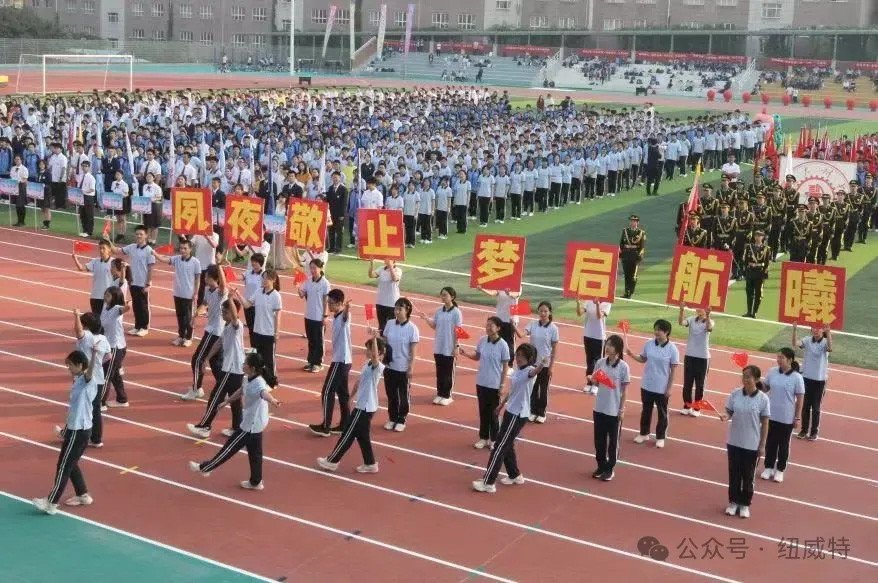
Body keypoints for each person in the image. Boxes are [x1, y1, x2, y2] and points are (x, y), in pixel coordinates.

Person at [189, 353, 281, 490]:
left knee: (229, 448)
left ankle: (206, 468)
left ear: (252, 368)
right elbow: (241, 391)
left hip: (251, 426)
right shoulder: (248, 378)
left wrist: (272, 400)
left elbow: (263, 393)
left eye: (245, 363)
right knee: (255, 453)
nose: (242, 364)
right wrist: (226, 401)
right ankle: (256, 482)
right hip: (255, 424)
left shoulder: (258, 383)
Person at [472, 344, 548, 494]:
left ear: (529, 358)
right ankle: (515, 475)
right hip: (510, 411)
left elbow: (535, 371)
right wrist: (501, 405)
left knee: (499, 447)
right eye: (518, 354)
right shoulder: (517, 371)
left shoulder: (528, 372)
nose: (518, 358)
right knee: (507, 445)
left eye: (521, 356)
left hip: (518, 414)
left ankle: (488, 482)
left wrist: (542, 364)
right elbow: (513, 390)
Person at [32, 348, 99, 515]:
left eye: (70, 365)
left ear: (79, 365)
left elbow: (90, 371)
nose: (68, 368)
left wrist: (94, 355)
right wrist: (65, 431)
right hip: (75, 429)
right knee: (70, 463)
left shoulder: (86, 380)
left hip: (79, 432)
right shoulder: (78, 380)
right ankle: (83, 494)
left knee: (63, 467)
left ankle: (51, 503)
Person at [317, 330, 386, 474]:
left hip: (365, 408)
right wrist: (351, 396)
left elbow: (375, 358)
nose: (366, 351)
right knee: (362, 436)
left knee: (347, 434)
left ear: (378, 351)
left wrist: (374, 339)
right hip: (362, 405)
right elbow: (359, 381)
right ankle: (370, 463)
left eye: (369, 348)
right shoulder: (367, 364)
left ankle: (332, 461)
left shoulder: (378, 366)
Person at [186, 298, 245, 439]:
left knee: (215, 397)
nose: (222, 315)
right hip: (235, 370)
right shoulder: (227, 326)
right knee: (235, 401)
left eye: (225, 312)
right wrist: (207, 359)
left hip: (231, 369)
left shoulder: (237, 326)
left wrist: (230, 298)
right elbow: (219, 342)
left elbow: (235, 317)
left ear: (233, 313)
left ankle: (205, 426)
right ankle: (237, 428)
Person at [719, 365, 770, 519]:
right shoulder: (735, 394)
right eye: (743, 376)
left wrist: (762, 445)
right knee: (734, 474)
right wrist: (726, 416)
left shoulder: (763, 399)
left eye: (748, 376)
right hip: (734, 442)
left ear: (756, 379)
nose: (745, 379)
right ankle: (733, 502)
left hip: (751, 444)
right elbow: (729, 411)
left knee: (748, 476)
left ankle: (745, 504)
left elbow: (765, 422)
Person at [626, 319, 680, 448]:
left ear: (666, 332)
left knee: (662, 413)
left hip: (662, 386)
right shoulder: (649, 344)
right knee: (646, 410)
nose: (656, 332)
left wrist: (669, 388)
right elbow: (643, 359)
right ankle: (644, 433)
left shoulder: (672, 349)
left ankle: (660, 437)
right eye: (655, 329)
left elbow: (673, 371)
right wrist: (632, 355)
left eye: (659, 330)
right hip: (647, 384)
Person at [459, 317, 510, 449]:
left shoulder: (503, 345)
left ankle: (494, 439)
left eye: (491, 326)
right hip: (481, 382)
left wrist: (502, 384)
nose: (487, 328)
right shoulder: (482, 340)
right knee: (483, 412)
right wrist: (464, 353)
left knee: (494, 413)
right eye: (487, 325)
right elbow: (477, 356)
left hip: (494, 384)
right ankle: (483, 437)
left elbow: (505, 367)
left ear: (498, 328)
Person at [309, 289, 353, 437]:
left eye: (331, 303)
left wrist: (347, 309)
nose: (329, 305)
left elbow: (346, 316)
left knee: (327, 392)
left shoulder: (344, 316)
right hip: (343, 360)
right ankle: (345, 424)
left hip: (341, 361)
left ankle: (326, 426)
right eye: (328, 302)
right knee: (343, 394)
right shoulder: (336, 316)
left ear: (340, 303)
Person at [180, 264, 228, 400]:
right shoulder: (208, 290)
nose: (204, 278)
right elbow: (204, 304)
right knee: (215, 363)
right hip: (213, 331)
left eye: (206, 276)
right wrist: (195, 315)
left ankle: (196, 389)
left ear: (214, 278)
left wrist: (219, 267)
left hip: (214, 332)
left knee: (197, 360)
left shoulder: (221, 292)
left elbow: (223, 285)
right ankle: (227, 387)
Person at [760, 347, 805, 483]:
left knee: (783, 444)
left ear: (790, 360)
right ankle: (768, 467)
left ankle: (780, 469)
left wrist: (797, 417)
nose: (778, 360)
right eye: (777, 357)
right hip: (771, 414)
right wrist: (756, 382)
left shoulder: (797, 377)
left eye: (781, 358)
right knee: (770, 443)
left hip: (786, 417)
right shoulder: (772, 372)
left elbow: (800, 398)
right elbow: (765, 388)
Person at [589, 334, 630, 481]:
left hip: (614, 411)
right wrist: (592, 379)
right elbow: (596, 383)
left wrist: (621, 409)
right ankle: (601, 465)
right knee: (599, 440)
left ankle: (610, 468)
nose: (607, 347)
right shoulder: (600, 363)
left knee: (613, 442)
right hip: (599, 408)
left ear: (618, 349)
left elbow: (624, 391)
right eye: (607, 344)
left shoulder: (624, 367)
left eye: (611, 345)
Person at [231, 269, 282, 385]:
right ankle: (262, 379)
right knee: (259, 358)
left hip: (269, 333)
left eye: (266, 278)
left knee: (269, 360)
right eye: (263, 278)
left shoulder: (276, 296)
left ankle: (272, 381)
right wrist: (238, 294)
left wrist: (276, 332)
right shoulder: (258, 291)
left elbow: (277, 315)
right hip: (257, 331)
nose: (264, 280)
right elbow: (247, 305)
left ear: (273, 280)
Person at [513, 301, 559, 424]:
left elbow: (554, 349)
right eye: (541, 311)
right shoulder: (533, 324)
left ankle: (541, 412)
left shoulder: (553, 328)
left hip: (545, 364)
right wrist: (514, 326)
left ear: (549, 312)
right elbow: (522, 335)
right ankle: (533, 411)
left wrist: (551, 366)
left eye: (545, 311)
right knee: (532, 388)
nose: (543, 313)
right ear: (538, 311)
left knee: (543, 389)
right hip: (532, 363)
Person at [417, 286, 463, 406]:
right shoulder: (439, 311)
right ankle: (440, 393)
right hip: (439, 346)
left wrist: (456, 346)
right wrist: (426, 318)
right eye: (441, 295)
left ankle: (448, 395)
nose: (442, 297)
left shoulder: (456, 312)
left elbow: (458, 330)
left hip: (449, 347)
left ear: (452, 297)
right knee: (440, 372)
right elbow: (434, 325)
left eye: (445, 295)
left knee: (448, 373)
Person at [380, 297, 420, 432]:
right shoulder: (390, 324)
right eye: (396, 308)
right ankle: (392, 418)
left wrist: (411, 368)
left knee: (403, 395)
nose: (396, 311)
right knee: (391, 394)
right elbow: (384, 342)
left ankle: (401, 418)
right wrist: (376, 336)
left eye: (400, 309)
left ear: (407, 310)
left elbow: (413, 352)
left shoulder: (412, 329)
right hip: (389, 366)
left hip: (403, 368)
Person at [153, 239, 202, 347]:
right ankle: (181, 336)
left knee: (188, 317)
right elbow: (163, 259)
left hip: (188, 295)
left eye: (185, 248)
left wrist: (196, 293)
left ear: (190, 249)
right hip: (178, 293)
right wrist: (154, 253)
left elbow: (198, 278)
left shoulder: (195, 262)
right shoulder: (176, 259)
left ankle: (188, 337)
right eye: (181, 248)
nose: (182, 250)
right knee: (180, 316)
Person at [112, 226, 155, 337]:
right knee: (136, 305)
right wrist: (108, 240)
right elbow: (117, 250)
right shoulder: (131, 247)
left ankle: (144, 327)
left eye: (141, 234)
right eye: (137, 234)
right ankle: (137, 326)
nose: (138, 236)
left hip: (143, 283)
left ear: (146, 235)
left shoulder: (149, 250)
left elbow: (150, 268)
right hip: (133, 282)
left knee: (143, 306)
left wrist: (148, 283)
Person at [792, 322, 832, 441]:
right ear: (811, 330)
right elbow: (795, 344)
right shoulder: (807, 340)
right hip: (806, 378)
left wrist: (829, 333)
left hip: (819, 380)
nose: (815, 330)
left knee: (816, 408)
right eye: (813, 328)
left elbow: (830, 348)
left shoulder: (825, 342)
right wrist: (794, 330)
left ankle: (814, 432)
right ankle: (804, 430)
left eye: (818, 329)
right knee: (805, 406)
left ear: (822, 331)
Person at [677, 303, 713, 416]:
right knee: (687, 383)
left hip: (703, 357)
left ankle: (697, 408)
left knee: (700, 385)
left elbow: (709, 328)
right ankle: (687, 406)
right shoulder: (692, 319)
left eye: (702, 307)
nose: (699, 309)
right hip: (690, 356)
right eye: (698, 307)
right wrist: (682, 309)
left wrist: (708, 315)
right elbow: (681, 322)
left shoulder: (710, 321)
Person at [297, 257, 330, 373]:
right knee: (311, 340)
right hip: (309, 316)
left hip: (319, 316)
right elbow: (302, 294)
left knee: (318, 340)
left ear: (320, 268)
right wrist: (298, 287)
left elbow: (326, 300)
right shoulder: (308, 281)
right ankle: (310, 361)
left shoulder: (325, 283)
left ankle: (318, 363)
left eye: (315, 268)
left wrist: (325, 316)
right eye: (311, 268)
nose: (312, 270)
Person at [100, 286, 130, 409]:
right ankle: (122, 399)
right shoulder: (105, 308)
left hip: (116, 348)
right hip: (109, 346)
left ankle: (100, 403)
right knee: (115, 374)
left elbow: (125, 309)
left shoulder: (116, 309)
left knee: (106, 375)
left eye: (108, 295)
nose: (105, 297)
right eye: (105, 294)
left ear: (115, 297)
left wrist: (128, 305)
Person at [477, 286, 520, 365]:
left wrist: (509, 293)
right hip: (499, 318)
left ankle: (509, 364)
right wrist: (482, 289)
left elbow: (515, 295)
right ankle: (499, 361)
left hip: (510, 319)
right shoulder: (502, 284)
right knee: (498, 340)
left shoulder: (517, 284)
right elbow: (494, 292)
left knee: (509, 343)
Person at [577, 298, 611, 395]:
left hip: (599, 336)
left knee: (599, 362)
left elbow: (599, 316)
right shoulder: (588, 300)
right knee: (589, 360)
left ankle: (596, 384)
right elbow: (580, 313)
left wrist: (597, 304)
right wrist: (578, 303)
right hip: (588, 334)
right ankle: (589, 382)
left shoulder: (606, 302)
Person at [72, 238, 114, 315]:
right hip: (95, 295)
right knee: (96, 318)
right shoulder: (95, 261)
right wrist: (75, 259)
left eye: (103, 248)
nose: (101, 250)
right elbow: (81, 268)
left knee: (106, 318)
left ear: (109, 249)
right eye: (100, 248)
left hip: (108, 296)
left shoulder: (113, 262)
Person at [742, 230, 771, 318]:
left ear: (763, 237)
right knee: (749, 292)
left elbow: (767, 263)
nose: (757, 237)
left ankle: (754, 312)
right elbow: (745, 260)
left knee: (758, 293)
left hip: (759, 272)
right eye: (756, 235)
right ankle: (749, 311)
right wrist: (745, 271)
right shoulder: (749, 247)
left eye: (760, 236)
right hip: (750, 271)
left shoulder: (766, 249)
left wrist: (765, 275)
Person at [368, 259, 401, 333]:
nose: (386, 260)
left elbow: (394, 278)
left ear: (394, 261)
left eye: (389, 259)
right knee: (381, 326)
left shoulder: (398, 270)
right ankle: (382, 343)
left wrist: (391, 267)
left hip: (392, 303)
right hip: (380, 302)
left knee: (391, 327)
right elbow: (371, 275)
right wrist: (371, 264)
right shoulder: (381, 269)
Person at [619, 215, 646, 298]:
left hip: (635, 255)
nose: (632, 222)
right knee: (626, 274)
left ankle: (630, 292)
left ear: (637, 222)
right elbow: (621, 244)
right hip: (626, 254)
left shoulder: (641, 232)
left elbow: (642, 246)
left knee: (633, 275)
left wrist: (640, 256)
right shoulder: (625, 231)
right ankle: (626, 292)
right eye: (631, 221)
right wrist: (621, 254)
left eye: (634, 221)